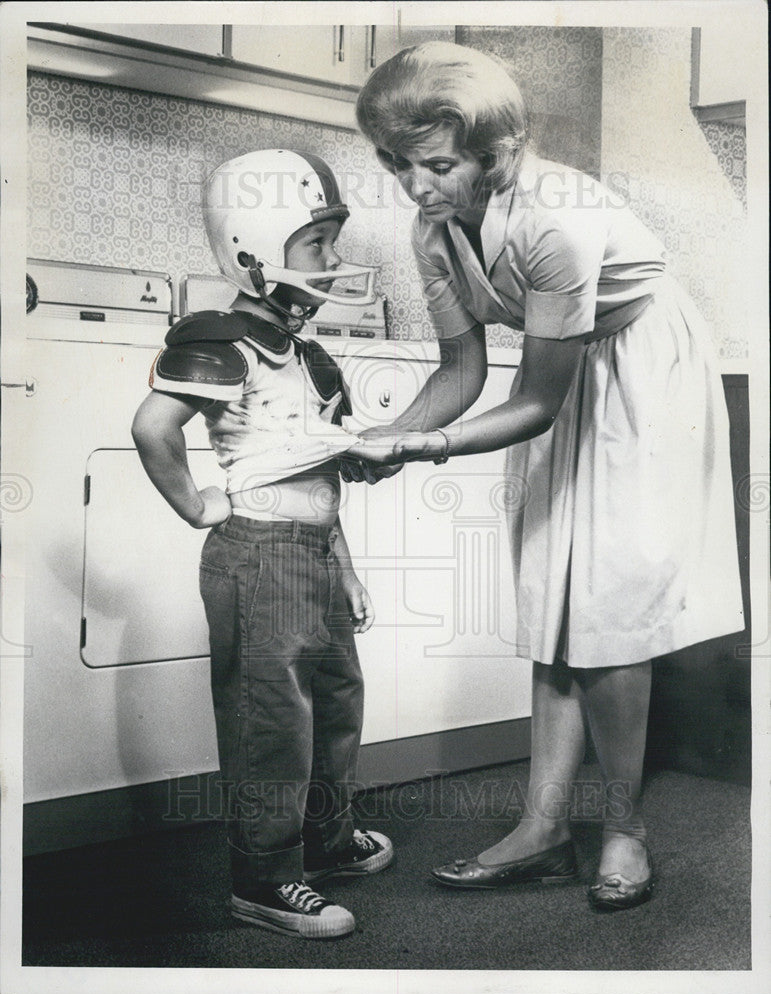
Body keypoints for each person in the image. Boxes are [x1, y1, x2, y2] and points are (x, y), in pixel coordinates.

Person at [347, 41, 744, 910]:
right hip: (568, 373)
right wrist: (383, 433)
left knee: (607, 609)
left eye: (437, 166)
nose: (417, 188)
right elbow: (458, 372)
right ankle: (542, 828)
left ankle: (623, 832)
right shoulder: (435, 228)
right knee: (553, 599)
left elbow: (531, 400)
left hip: (643, 375)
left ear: (500, 150)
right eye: (399, 167)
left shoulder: (553, 217)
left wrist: (425, 451)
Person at [131, 148, 393, 939]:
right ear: (253, 248)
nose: (332, 259)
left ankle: (327, 838)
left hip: (310, 553)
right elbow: (153, 427)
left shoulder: (307, 353)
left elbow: (321, 476)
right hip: (259, 553)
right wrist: (197, 507)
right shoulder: (224, 340)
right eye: (316, 243)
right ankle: (265, 878)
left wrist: (342, 569)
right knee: (272, 720)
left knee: (335, 702)